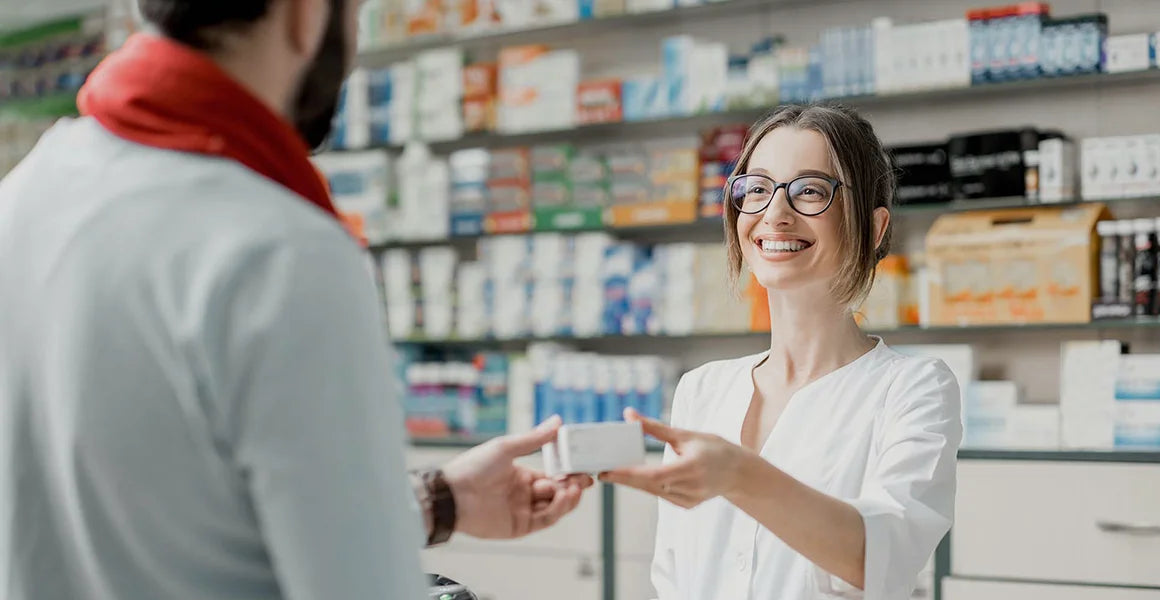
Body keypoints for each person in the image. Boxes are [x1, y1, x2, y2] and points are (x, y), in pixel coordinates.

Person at [0, 1, 591, 599]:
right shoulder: (282, 250)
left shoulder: (26, 195)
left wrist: (437, 502)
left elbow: (153, 511)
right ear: (306, 13)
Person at [600, 104, 963, 600]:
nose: (775, 213)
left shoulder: (913, 390)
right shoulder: (703, 389)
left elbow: (881, 557)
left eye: (810, 190)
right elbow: (673, 577)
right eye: (757, 188)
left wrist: (740, 475)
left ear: (875, 228)